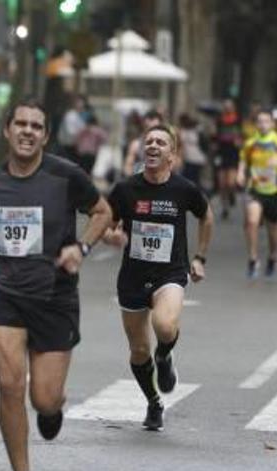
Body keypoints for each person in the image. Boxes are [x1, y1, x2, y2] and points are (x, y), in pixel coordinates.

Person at [0, 99, 112, 471]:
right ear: (7, 131)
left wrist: (82, 248)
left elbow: (102, 211)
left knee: (42, 398)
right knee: (10, 386)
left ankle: (52, 407)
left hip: (54, 296)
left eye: (36, 126)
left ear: (45, 135)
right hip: (5, 293)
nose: (28, 131)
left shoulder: (66, 176)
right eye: (21, 124)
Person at [105, 124, 213, 432]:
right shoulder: (126, 189)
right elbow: (107, 224)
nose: (153, 146)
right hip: (133, 277)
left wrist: (200, 257)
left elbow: (207, 216)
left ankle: (165, 356)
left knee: (164, 326)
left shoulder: (183, 189)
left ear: (172, 155)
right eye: (148, 141)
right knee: (139, 351)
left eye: (161, 142)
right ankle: (154, 402)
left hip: (171, 272)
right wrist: (110, 237)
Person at [236, 109, 277, 279]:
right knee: (251, 222)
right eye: (260, 121)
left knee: (273, 229)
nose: (263, 124)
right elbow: (243, 160)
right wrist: (241, 173)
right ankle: (253, 259)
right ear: (256, 124)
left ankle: (273, 256)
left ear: (272, 124)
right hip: (254, 189)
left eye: (266, 121)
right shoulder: (250, 143)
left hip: (273, 191)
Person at [215, 99, 242, 219]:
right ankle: (225, 208)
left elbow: (242, 135)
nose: (227, 109)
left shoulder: (238, 119)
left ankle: (232, 195)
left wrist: (239, 141)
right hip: (221, 153)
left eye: (229, 107)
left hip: (233, 153)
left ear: (233, 108)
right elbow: (215, 135)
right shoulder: (219, 120)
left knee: (230, 183)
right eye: (225, 107)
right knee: (222, 184)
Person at [123, 110, 163, 176]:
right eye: (148, 128)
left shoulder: (166, 144)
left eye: (155, 128)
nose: (152, 132)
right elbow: (128, 166)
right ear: (144, 126)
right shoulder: (136, 144)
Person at [178, 113, 207, 187]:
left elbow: (204, 143)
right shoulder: (183, 130)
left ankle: (198, 195)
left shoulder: (196, 130)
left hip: (196, 158)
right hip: (189, 158)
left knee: (193, 179)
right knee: (189, 179)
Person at [56, 95, 86, 163]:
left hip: (74, 145)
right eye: (80, 103)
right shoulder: (71, 115)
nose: (82, 106)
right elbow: (72, 132)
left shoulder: (77, 116)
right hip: (69, 146)